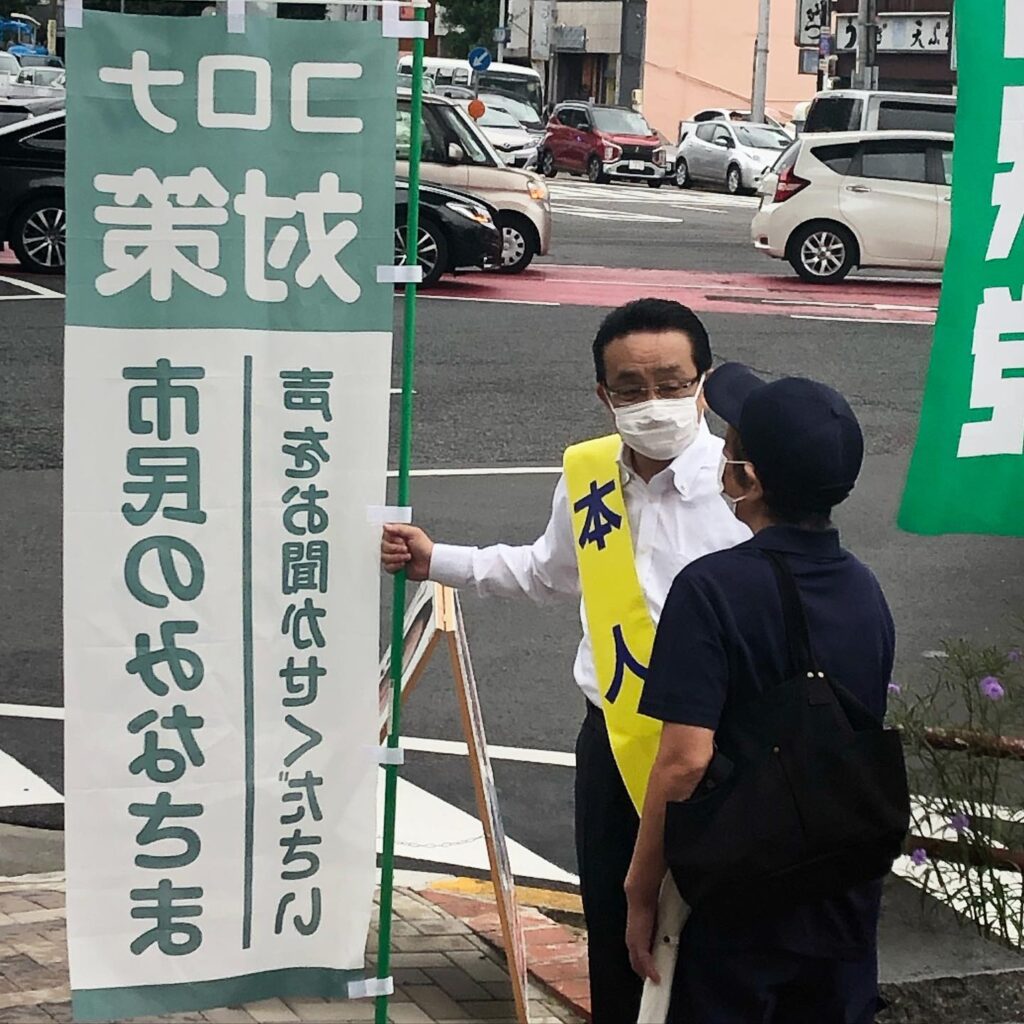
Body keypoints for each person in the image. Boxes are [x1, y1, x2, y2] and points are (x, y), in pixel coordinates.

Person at [381, 299, 749, 1024]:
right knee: (616, 924)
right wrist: (437, 560)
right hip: (612, 738)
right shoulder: (588, 474)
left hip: (717, 747)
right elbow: (547, 572)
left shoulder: (741, 485)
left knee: (713, 936)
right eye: (632, 389)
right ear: (604, 396)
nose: (654, 402)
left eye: (672, 383)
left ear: (703, 384)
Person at [625, 363, 895, 1024]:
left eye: (731, 444)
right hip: (839, 894)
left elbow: (684, 762)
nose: (720, 453)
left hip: (740, 894)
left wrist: (640, 888)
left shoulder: (710, 589)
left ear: (748, 479)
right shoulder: (865, 589)